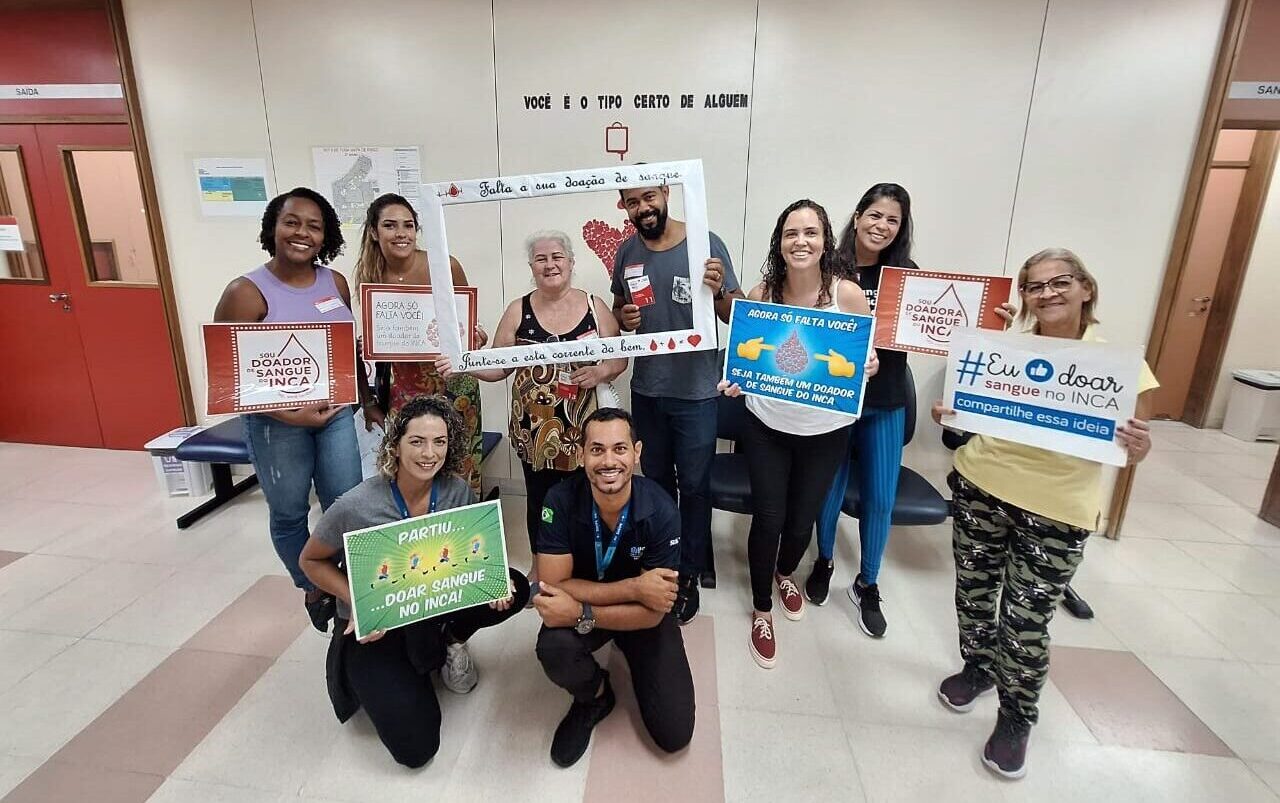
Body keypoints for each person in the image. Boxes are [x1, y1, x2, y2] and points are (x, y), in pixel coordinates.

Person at [931, 248, 1157, 779]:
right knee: (974, 592)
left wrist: (1139, 446)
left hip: (1056, 510)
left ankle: (1016, 717)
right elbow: (967, 421)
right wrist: (953, 412)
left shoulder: (1118, 363)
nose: (1048, 294)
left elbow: (1131, 445)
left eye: (1061, 282)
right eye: (1035, 286)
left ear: (1086, 289)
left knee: (1025, 622)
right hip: (981, 485)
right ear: (1025, 296)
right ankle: (978, 668)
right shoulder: (1006, 348)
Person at [299, 395, 530, 768]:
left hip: (434, 603)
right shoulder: (355, 505)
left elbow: (474, 550)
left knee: (513, 585)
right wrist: (356, 601)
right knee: (416, 750)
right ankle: (412, 667)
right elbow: (311, 560)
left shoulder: (456, 491)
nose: (429, 453)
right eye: (417, 441)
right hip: (381, 623)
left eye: (439, 442)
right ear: (395, 444)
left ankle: (451, 642)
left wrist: (493, 578)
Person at [718, 200, 877, 670]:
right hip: (766, 424)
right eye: (791, 233)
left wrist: (870, 365)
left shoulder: (847, 295)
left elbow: (863, 361)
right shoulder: (762, 293)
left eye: (810, 232)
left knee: (803, 518)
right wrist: (735, 379)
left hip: (826, 430)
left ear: (826, 239)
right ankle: (761, 608)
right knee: (768, 516)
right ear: (779, 242)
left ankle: (786, 572)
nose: (800, 241)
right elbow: (744, 358)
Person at [439, 230, 626, 589]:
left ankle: (585, 565)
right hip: (533, 430)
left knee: (587, 497)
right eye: (541, 259)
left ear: (571, 263)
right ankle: (542, 568)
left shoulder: (594, 306)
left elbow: (619, 358)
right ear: (531, 267)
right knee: (540, 500)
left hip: (585, 430)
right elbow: (498, 367)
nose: (550, 264)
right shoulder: (518, 309)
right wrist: (463, 362)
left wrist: (601, 370)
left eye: (557, 256)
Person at [213, 187, 362, 633]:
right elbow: (226, 373)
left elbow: (348, 350)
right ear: (273, 228)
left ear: (326, 235)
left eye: (314, 226)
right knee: (290, 510)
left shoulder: (335, 283)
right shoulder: (246, 291)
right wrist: (286, 414)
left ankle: (350, 585)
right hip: (277, 425)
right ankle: (311, 586)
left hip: (335, 415)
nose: (302, 233)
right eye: (292, 222)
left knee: (346, 506)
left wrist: (362, 398)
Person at [533, 407, 694, 768]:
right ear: (581, 455)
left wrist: (582, 608)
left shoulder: (662, 510)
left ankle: (628, 649)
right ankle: (596, 697)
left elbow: (653, 615)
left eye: (620, 449)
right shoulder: (559, 501)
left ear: (637, 452)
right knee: (554, 646)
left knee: (675, 734)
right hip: (620, 601)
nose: (609, 461)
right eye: (597, 450)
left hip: (638, 616)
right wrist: (635, 588)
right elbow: (554, 584)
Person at [611, 182, 742, 622]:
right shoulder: (626, 252)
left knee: (696, 486)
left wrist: (720, 290)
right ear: (625, 207)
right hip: (648, 390)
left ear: (666, 193)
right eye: (633, 202)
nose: (643, 208)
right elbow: (619, 312)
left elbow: (734, 315)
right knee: (656, 484)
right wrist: (624, 318)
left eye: (649, 198)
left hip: (697, 392)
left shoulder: (707, 243)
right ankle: (664, 563)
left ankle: (691, 570)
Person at [805, 183, 917, 639]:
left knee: (880, 497)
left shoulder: (908, 274)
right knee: (827, 488)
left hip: (885, 399)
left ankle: (868, 582)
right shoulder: (827, 266)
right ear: (856, 217)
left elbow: (931, 328)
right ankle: (825, 560)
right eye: (874, 215)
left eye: (892, 220)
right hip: (834, 398)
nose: (881, 226)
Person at [352, 193, 488, 498]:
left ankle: (462, 525)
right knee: (414, 462)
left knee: (458, 460)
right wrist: (370, 349)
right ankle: (420, 528)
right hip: (403, 385)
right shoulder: (371, 275)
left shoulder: (445, 265)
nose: (401, 233)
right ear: (374, 232)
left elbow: (468, 325)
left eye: (408, 225)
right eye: (390, 225)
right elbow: (370, 339)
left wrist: (475, 338)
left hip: (453, 383)